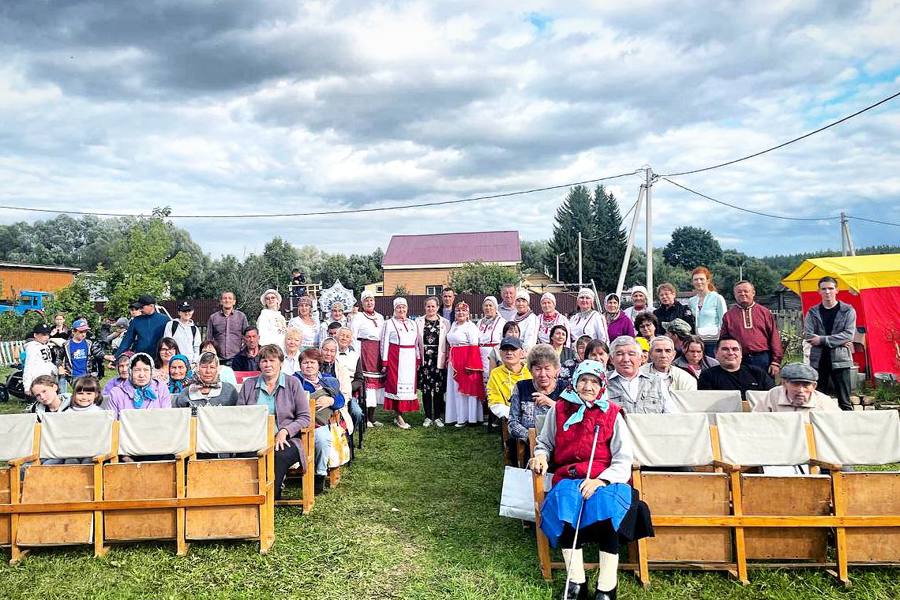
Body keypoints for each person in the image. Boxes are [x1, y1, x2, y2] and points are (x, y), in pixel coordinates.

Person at [529, 360, 652, 600]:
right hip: (570, 476)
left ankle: (607, 587)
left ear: (602, 385)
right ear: (575, 382)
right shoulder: (560, 409)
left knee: (607, 510)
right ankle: (576, 583)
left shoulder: (612, 413)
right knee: (565, 505)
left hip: (604, 478)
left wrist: (601, 481)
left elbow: (622, 457)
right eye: (583, 380)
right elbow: (545, 443)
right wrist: (541, 456)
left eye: (594, 381)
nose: (588, 386)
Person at [237, 344, 312, 499]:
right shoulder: (249, 385)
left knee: (279, 455)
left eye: (272, 360)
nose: (268, 364)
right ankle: (248, 498)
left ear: (281, 363)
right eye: (264, 361)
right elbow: (239, 414)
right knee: (244, 455)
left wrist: (285, 431)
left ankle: (271, 497)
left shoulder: (293, 383)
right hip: (254, 438)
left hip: (286, 439)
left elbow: (305, 417)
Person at [293, 348, 345, 493]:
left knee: (323, 439)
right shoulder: (294, 380)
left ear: (318, 364)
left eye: (312, 362)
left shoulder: (328, 380)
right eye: (305, 363)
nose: (309, 366)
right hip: (299, 420)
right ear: (300, 365)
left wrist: (331, 400)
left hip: (320, 423)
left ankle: (320, 475)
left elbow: (341, 400)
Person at [804, 276, 857, 411]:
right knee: (818, 401)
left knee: (844, 402)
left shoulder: (848, 311)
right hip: (818, 361)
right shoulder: (812, 312)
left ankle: (848, 429)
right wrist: (838, 341)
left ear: (837, 290)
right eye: (824, 289)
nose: (827, 292)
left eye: (830, 288)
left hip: (841, 360)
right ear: (819, 291)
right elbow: (808, 335)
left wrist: (821, 340)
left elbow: (848, 334)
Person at [720, 280, 783, 377]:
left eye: (746, 291)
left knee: (764, 389)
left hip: (762, 358)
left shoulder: (765, 313)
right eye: (739, 292)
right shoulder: (728, 316)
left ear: (753, 293)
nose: (743, 294)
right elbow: (723, 340)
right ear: (735, 294)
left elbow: (774, 337)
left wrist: (776, 361)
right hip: (738, 359)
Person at [508, 344, 566, 443]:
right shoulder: (521, 387)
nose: (543, 374)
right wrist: (532, 437)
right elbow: (512, 423)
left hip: (559, 442)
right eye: (538, 369)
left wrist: (552, 404)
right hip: (528, 443)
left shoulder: (565, 389)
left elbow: (573, 418)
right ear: (530, 370)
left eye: (547, 368)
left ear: (556, 369)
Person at [606, 336, 676, 414]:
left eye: (631, 354)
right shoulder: (602, 383)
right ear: (611, 359)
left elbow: (671, 415)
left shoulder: (656, 382)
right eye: (619, 354)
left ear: (640, 358)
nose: (626, 359)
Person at [381, 297, 419, 429]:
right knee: (396, 387)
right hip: (396, 358)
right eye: (398, 307)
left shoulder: (413, 323)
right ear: (394, 309)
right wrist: (384, 362)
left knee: (408, 388)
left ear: (407, 309)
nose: (401, 310)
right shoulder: (389, 323)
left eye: (403, 307)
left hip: (410, 358)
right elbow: (384, 342)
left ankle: (402, 413)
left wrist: (418, 358)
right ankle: (398, 416)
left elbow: (416, 343)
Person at [445, 301, 484, 427]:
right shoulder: (453, 325)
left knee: (465, 389)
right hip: (454, 359)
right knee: (455, 389)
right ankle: (455, 416)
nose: (460, 313)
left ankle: (468, 418)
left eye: (463, 311)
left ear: (468, 314)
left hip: (465, 359)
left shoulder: (470, 327)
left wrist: (470, 365)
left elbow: (474, 346)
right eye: (457, 311)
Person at [350, 290, 386, 427]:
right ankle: (364, 417)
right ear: (362, 303)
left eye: (371, 300)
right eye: (366, 300)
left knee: (376, 386)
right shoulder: (358, 317)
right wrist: (356, 355)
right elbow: (353, 336)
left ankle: (372, 416)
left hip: (377, 351)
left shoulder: (380, 317)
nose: (369, 303)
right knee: (366, 385)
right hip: (364, 350)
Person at [698, 337, 775, 399]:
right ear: (716, 354)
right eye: (725, 349)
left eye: (735, 349)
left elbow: (772, 397)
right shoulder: (707, 376)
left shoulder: (758, 373)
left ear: (741, 354)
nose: (731, 353)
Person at [753, 363, 841, 413]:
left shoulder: (824, 403)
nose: (801, 390)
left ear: (814, 386)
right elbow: (756, 421)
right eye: (795, 384)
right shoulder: (773, 396)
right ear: (784, 384)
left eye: (806, 385)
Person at [416, 297, 450, 428]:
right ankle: (427, 416)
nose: (431, 309)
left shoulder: (445, 322)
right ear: (425, 307)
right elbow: (415, 342)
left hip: (438, 359)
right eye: (428, 306)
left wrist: (447, 358)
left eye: (433, 306)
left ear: (437, 307)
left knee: (438, 389)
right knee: (425, 389)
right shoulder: (419, 322)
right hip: (425, 360)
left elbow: (447, 343)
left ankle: (437, 416)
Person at [321, 337, 364, 438]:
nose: (328, 354)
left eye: (332, 351)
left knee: (356, 412)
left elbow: (346, 393)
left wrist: (333, 401)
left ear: (336, 352)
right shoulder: (315, 365)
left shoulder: (341, 369)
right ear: (321, 349)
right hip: (319, 403)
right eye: (325, 350)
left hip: (338, 404)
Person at [107, 353, 172, 419]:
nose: (141, 375)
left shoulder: (161, 388)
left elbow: (166, 418)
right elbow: (112, 422)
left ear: (151, 372)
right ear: (130, 372)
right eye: (137, 370)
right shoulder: (117, 392)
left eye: (146, 370)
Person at [174, 351, 239, 414]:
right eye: (204, 367)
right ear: (197, 369)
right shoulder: (186, 393)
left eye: (212, 367)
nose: (208, 371)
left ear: (217, 369)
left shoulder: (229, 391)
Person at [486, 337, 531, 421]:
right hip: (509, 415)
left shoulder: (531, 370)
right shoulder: (495, 373)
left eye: (513, 349)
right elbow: (494, 401)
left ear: (521, 353)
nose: (509, 352)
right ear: (500, 353)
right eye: (505, 349)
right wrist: (512, 414)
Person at [688, 267, 728, 357]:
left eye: (701, 279)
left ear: (708, 280)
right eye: (696, 279)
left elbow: (724, 321)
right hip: (697, 343)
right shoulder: (691, 301)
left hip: (713, 341)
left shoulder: (717, 298)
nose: (699, 282)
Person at [59, 318, 110, 383]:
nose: (83, 334)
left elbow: (97, 351)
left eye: (85, 331)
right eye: (81, 332)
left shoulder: (89, 343)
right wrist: (60, 367)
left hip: (87, 375)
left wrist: (105, 356)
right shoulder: (66, 345)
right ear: (73, 332)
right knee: (79, 392)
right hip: (74, 376)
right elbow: (59, 358)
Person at [205, 291, 249, 363]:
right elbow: (209, 338)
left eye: (230, 298)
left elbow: (247, 336)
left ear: (234, 302)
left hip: (237, 357)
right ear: (221, 301)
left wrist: (242, 350)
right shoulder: (213, 318)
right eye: (224, 298)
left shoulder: (241, 317)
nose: (227, 300)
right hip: (218, 358)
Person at [477, 296, 506, 387]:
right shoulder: (479, 322)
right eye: (486, 306)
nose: (488, 308)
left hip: (494, 354)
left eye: (490, 305)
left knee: (493, 380)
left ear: (495, 307)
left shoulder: (502, 322)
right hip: (480, 355)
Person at [23, 323, 58, 398]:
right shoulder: (32, 348)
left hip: (47, 379)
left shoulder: (44, 346)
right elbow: (28, 366)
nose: (46, 337)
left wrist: (55, 370)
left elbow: (48, 362)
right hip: (37, 380)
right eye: (43, 334)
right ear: (35, 335)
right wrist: (27, 386)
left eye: (48, 334)